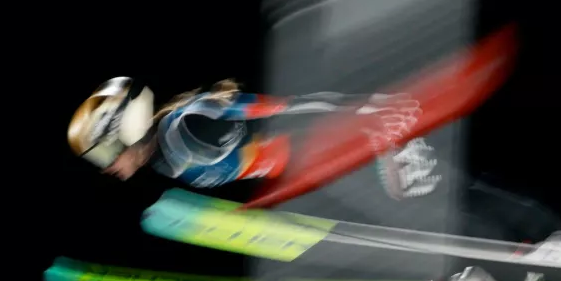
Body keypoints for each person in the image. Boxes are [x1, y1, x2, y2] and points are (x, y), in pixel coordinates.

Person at [67, 76, 425, 190]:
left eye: (104, 152)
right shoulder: (163, 162)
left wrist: (368, 108)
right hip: (309, 173)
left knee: (405, 191)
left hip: (343, 143)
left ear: (123, 127)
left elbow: (289, 107)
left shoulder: (194, 120)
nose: (106, 167)